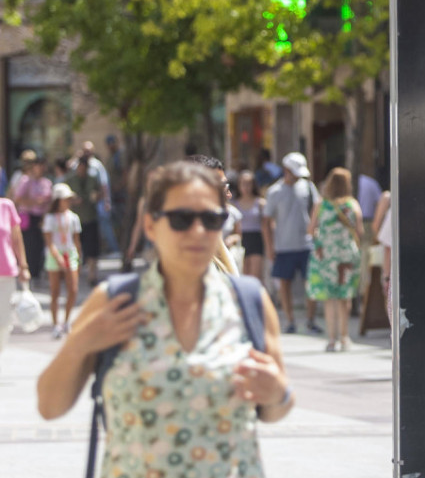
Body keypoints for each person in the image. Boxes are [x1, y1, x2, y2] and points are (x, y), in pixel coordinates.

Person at [36, 161, 293, 476]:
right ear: (150, 225)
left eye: (212, 219)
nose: (198, 231)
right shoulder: (115, 302)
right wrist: (79, 345)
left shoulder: (249, 302)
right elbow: (49, 407)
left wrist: (278, 392)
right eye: (181, 219)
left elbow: (274, 409)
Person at [264, 152, 321, 334]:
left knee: (310, 284)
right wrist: (270, 246)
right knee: (285, 285)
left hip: (307, 244)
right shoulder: (274, 192)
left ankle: (311, 320)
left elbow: (317, 210)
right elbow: (266, 220)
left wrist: (317, 235)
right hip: (284, 246)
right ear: (286, 170)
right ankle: (290, 321)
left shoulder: (308, 187)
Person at [308, 167, 362, 352]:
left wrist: (324, 237)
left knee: (329, 297)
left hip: (326, 256)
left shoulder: (321, 205)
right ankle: (345, 337)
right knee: (344, 297)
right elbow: (360, 232)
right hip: (346, 256)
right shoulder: (352, 205)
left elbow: (311, 229)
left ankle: (332, 339)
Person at [43, 183, 82, 339]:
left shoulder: (73, 218)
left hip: (70, 252)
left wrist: (78, 257)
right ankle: (55, 324)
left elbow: (76, 240)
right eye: (65, 199)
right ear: (58, 200)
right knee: (55, 291)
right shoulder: (50, 218)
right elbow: (49, 240)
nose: (67, 202)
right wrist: (57, 257)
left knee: (73, 289)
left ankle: (67, 321)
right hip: (55, 254)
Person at [0, 192, 30, 363]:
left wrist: (23, 266)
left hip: (6, 273)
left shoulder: (6, 206)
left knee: (4, 321)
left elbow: (17, 238)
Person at [13, 155, 52, 283]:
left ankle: (36, 274)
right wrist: (34, 202)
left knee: (40, 246)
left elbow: (48, 202)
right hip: (28, 217)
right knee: (29, 245)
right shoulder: (26, 181)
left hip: (41, 218)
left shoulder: (46, 183)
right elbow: (18, 198)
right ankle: (28, 273)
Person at [66, 156, 102, 285]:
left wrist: (97, 196)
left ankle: (92, 276)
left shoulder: (93, 180)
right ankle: (75, 274)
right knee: (76, 249)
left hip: (90, 217)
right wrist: (74, 201)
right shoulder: (70, 180)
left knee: (92, 249)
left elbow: (99, 194)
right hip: (75, 220)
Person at [235, 171, 267, 282]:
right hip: (241, 238)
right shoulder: (234, 204)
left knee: (255, 276)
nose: (246, 187)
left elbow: (267, 225)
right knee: (241, 273)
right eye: (243, 183)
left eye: (249, 183)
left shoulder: (261, 203)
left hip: (256, 239)